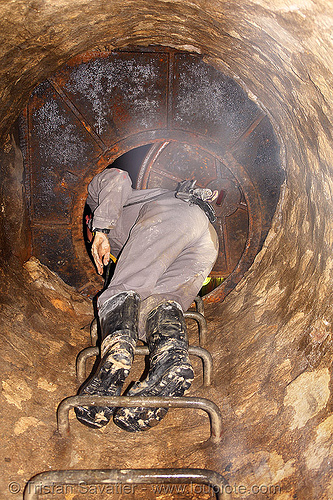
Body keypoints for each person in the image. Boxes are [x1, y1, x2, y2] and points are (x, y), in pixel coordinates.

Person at [75, 167, 219, 432]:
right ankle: (171, 360)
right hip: (205, 239)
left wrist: (101, 229)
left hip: (172, 215)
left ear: (87, 223)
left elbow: (116, 176)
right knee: (161, 302)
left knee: (126, 286)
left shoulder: (100, 206)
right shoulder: (126, 242)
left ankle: (118, 349)